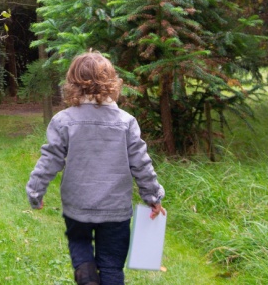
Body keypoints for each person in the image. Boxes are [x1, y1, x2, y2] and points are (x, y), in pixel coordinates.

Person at [26, 51, 166, 285]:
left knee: (80, 245)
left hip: (77, 207)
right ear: (112, 83)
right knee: (111, 264)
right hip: (115, 209)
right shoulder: (126, 122)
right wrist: (153, 196)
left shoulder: (63, 121)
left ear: (72, 84)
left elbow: (50, 159)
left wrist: (35, 191)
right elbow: (141, 163)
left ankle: (86, 274)